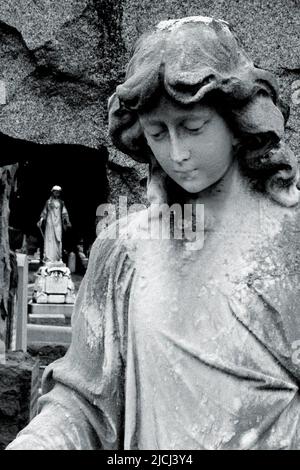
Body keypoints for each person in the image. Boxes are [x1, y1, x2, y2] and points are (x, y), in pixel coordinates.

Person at [7, 16, 300, 450]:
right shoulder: (122, 251)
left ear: (238, 122)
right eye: (158, 133)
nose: (177, 153)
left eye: (194, 127)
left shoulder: (290, 241)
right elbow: (81, 404)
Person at [37, 186, 71, 263]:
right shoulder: (48, 202)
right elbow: (44, 212)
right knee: (50, 239)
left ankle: (57, 257)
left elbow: (65, 213)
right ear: (52, 192)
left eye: (58, 192)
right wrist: (41, 220)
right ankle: (49, 258)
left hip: (58, 222)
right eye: (55, 191)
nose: (57, 193)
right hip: (50, 222)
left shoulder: (61, 202)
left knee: (58, 239)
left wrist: (67, 221)